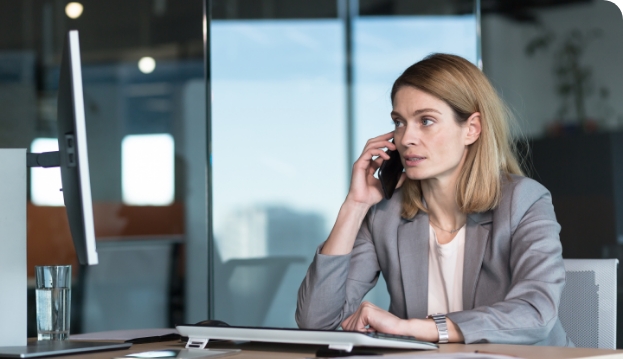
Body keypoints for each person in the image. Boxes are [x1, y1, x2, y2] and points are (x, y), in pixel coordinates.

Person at [296, 53, 573, 346]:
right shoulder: (386, 213)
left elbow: (535, 313)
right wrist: (354, 206)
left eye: (425, 121)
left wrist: (416, 329)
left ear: (471, 129)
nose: (405, 139)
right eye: (399, 122)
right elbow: (316, 322)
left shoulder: (524, 201)